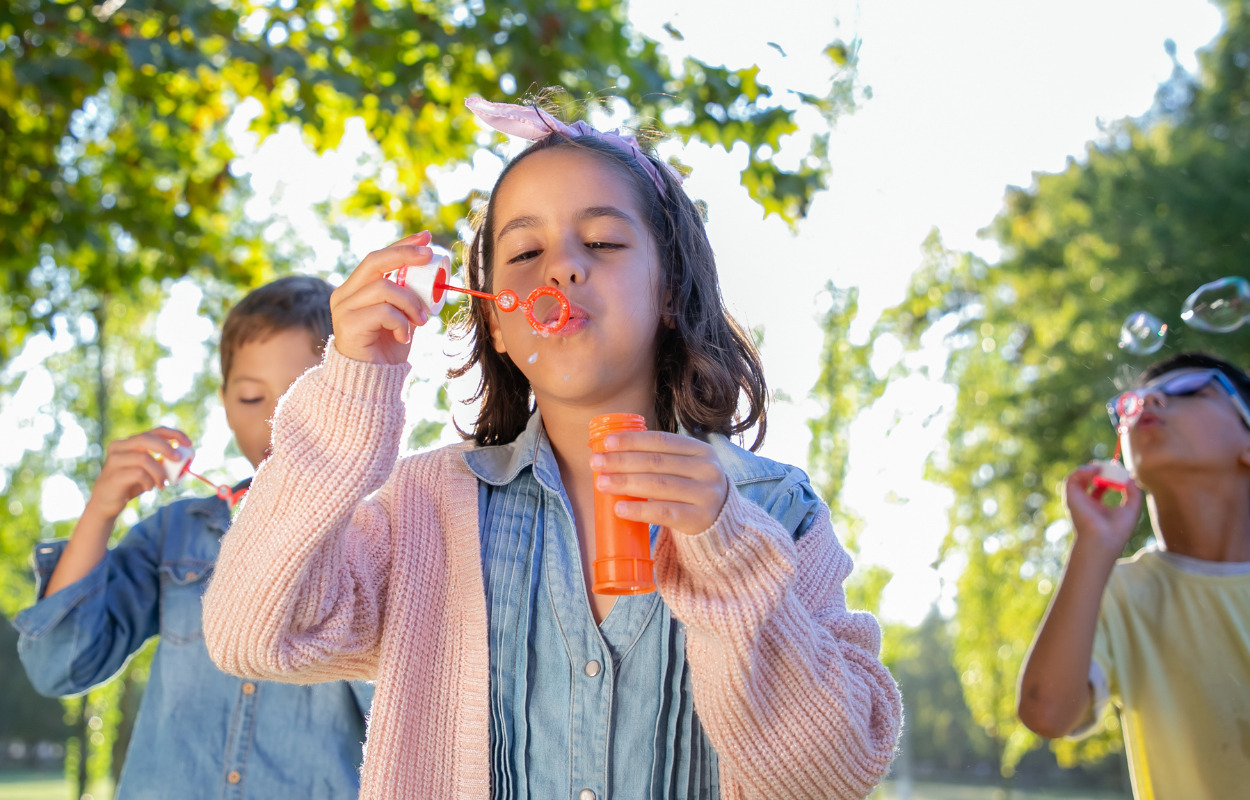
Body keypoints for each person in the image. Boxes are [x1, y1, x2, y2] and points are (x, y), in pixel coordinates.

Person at [202, 96, 902, 800]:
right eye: (526, 251)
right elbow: (252, 634)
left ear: (669, 289)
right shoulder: (428, 513)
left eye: (601, 242)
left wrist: (728, 560)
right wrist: (355, 386)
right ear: (498, 324)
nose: (561, 268)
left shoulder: (774, 511)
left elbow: (827, 776)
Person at [15, 275, 374, 799]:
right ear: (226, 403)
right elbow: (60, 665)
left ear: (344, 396)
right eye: (252, 397)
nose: (275, 423)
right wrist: (102, 508)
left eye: (301, 398)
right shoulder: (176, 534)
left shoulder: (384, 539)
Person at [1017, 352, 1250, 799]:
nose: (1151, 403)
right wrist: (1094, 545)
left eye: (1190, 390)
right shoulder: (1120, 592)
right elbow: (1046, 712)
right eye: (1136, 399)